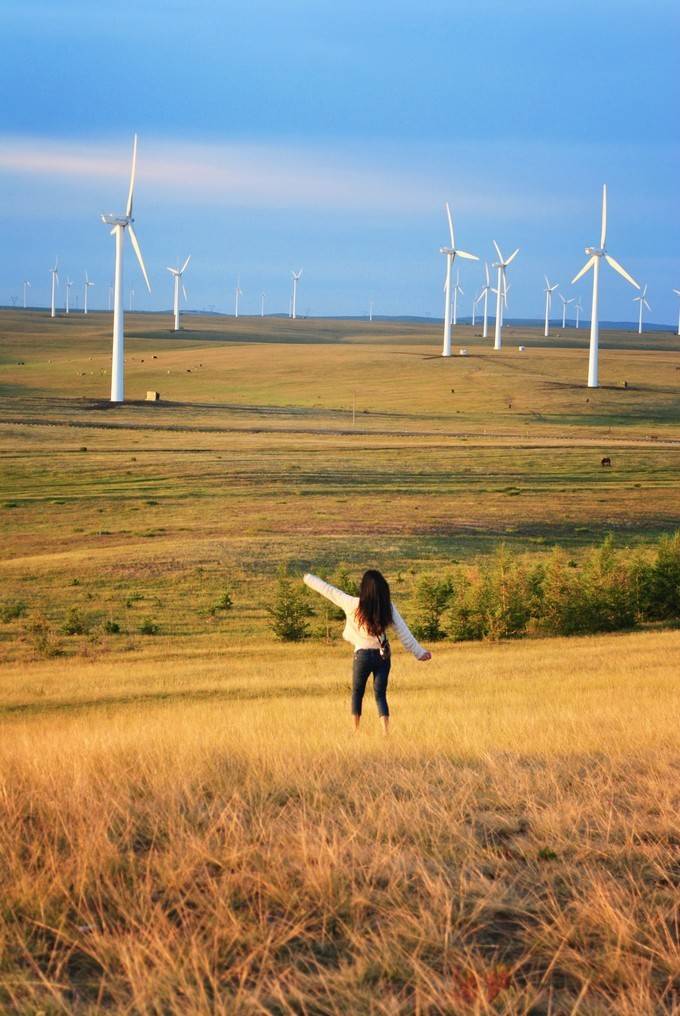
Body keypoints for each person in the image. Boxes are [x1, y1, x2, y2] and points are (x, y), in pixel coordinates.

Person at [303, 569, 432, 735]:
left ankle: (355, 730)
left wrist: (308, 578)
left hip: (362, 656)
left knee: (357, 693)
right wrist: (419, 652)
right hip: (382, 656)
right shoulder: (388, 608)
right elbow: (403, 632)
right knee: (380, 694)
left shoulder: (352, 604)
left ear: (364, 588)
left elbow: (328, 590)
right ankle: (385, 732)